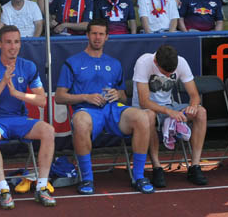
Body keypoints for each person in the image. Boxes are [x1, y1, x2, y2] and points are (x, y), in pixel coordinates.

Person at [55, 19, 156, 195]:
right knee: (79, 121)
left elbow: (123, 95)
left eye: (101, 34)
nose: (97, 37)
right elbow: (59, 97)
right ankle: (87, 178)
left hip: (113, 110)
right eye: (94, 33)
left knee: (142, 116)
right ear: (87, 35)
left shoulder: (114, 63)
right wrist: (85, 97)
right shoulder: (72, 62)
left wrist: (118, 94)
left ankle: (139, 176)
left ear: (107, 37)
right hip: (87, 111)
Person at [0, 26, 56, 208]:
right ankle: (4, 190)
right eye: (8, 42)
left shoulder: (28, 66)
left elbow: (42, 101)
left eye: (16, 42)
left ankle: (42, 187)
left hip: (19, 120)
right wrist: (3, 82)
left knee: (48, 131)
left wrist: (17, 94)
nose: (13, 47)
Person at [132, 44, 208, 187]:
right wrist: (169, 112)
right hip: (145, 109)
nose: (168, 76)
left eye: (170, 73)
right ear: (156, 62)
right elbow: (143, 101)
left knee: (201, 113)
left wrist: (192, 106)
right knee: (149, 116)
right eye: (165, 72)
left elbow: (194, 95)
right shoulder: (143, 62)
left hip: (169, 106)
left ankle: (195, 166)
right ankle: (157, 167)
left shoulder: (181, 62)